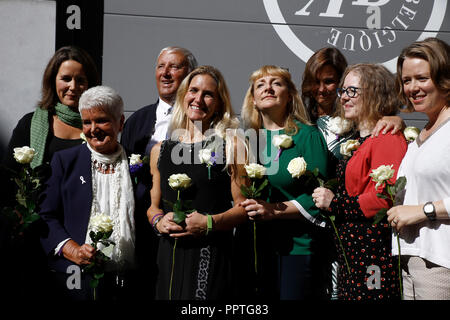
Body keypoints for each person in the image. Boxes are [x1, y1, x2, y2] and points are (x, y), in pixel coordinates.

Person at [301, 47, 405, 299]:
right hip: (352, 253)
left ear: (376, 93)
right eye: (343, 91)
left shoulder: (387, 138)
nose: (343, 97)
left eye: (352, 91)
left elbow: (384, 200)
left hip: (372, 254)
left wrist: (335, 203)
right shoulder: (361, 139)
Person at [1, 45, 99, 300]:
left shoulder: (97, 129)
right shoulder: (31, 124)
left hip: (81, 242)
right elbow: (8, 178)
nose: (73, 86)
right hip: (35, 239)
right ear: (52, 81)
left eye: (81, 80)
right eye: (66, 78)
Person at [147, 65, 248, 300]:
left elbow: (244, 208)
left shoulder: (232, 145)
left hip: (211, 255)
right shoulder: (160, 150)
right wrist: (159, 222)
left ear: (219, 103)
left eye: (208, 94)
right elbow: (153, 207)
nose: (198, 99)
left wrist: (209, 223)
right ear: (183, 95)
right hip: (168, 255)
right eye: (193, 90)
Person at [239, 65, 329, 300]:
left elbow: (320, 194)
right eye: (260, 85)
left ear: (289, 95)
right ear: (254, 100)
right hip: (255, 247)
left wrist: (274, 211)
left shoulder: (307, 135)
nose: (268, 88)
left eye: (276, 83)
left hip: (296, 248)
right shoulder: (246, 140)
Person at [39, 86, 136, 300]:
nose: (93, 129)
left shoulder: (137, 165)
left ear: (120, 123)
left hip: (127, 283)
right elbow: (45, 216)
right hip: (75, 280)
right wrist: (73, 250)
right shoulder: (65, 161)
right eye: (86, 122)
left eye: (101, 120)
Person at [120, 47, 197, 298]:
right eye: (160, 66)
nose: (165, 73)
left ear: (190, 74)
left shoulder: (204, 122)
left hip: (189, 227)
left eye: (174, 67)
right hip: (145, 229)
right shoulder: (137, 121)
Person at [387, 37, 450, 300]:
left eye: (422, 78)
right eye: (407, 80)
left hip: (442, 264)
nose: (413, 88)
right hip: (412, 260)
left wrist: (423, 211)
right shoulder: (421, 134)